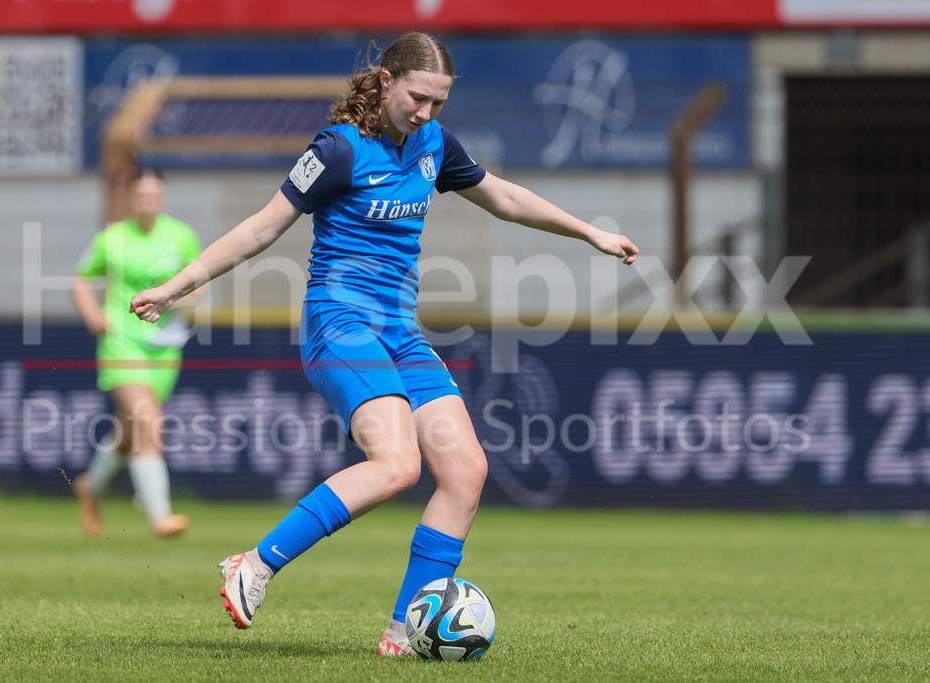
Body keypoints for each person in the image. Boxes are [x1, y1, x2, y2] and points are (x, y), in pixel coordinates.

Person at [130, 32, 638, 654]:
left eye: (438, 103)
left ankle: (404, 631)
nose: (425, 112)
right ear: (387, 79)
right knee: (398, 465)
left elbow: (502, 197)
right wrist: (175, 288)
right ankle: (255, 565)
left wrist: (589, 232)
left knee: (465, 471)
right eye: (417, 97)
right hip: (338, 325)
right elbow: (262, 227)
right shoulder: (338, 150)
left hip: (399, 332)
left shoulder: (433, 144)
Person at [71, 168, 203, 539]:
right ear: (131, 199)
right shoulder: (111, 239)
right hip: (121, 343)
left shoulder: (181, 237)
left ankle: (90, 487)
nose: (148, 202)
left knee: (129, 432)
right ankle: (159, 516)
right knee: (148, 420)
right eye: (141, 196)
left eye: (154, 196)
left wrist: (177, 300)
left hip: (164, 348)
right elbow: (80, 279)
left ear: (162, 198)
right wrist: (94, 315)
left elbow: (198, 287)